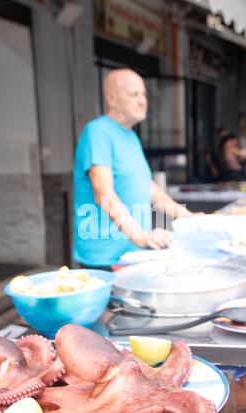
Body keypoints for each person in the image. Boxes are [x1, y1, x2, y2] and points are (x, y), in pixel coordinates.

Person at [73, 68, 197, 269]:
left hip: (133, 252)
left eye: (143, 94)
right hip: (105, 257)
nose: (142, 101)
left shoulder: (131, 137)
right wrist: (141, 237)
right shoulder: (97, 132)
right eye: (134, 94)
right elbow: (103, 192)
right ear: (112, 99)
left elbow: (150, 189)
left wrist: (192, 218)